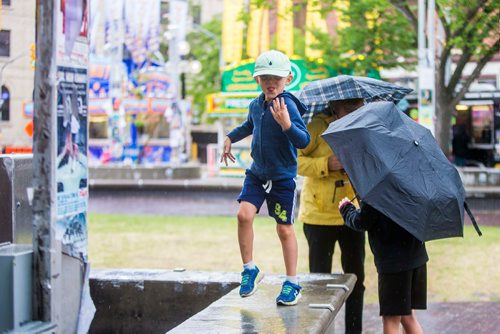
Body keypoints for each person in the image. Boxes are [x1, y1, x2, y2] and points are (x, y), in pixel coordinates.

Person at [220, 49, 310, 306]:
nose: (271, 83)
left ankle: (292, 282)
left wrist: (287, 124)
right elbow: (249, 125)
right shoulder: (255, 104)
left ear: (288, 79)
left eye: (277, 78)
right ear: (257, 79)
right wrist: (229, 137)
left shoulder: (288, 105)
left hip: (282, 179)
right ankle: (250, 269)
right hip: (257, 174)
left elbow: (304, 141)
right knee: (243, 215)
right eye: (265, 77)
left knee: (284, 229)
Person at [334, 100, 427, 334]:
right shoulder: (410, 172)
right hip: (416, 256)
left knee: (391, 321)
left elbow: (362, 221)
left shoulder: (377, 186)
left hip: (393, 263)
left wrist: (346, 209)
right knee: (408, 318)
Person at [297, 98, 366, 334]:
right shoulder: (316, 127)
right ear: (336, 106)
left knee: (356, 281)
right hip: (318, 217)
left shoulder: (361, 127)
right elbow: (294, 160)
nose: (356, 112)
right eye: (351, 108)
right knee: (319, 285)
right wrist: (327, 163)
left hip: (353, 215)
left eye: (360, 107)